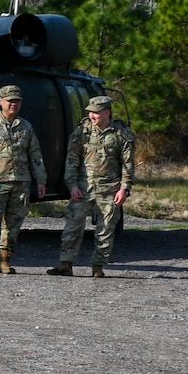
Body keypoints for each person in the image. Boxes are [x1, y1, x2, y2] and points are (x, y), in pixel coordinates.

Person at [48, 94, 134, 278]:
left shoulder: (120, 134)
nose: (92, 116)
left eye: (96, 112)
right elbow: (72, 160)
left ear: (107, 113)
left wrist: (124, 188)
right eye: (91, 112)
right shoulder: (82, 132)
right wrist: (72, 186)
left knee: (105, 230)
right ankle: (65, 264)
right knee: (72, 226)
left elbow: (128, 164)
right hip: (83, 187)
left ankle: (98, 267)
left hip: (110, 189)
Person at [0, 84, 45, 273]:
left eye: (17, 101)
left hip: (21, 182)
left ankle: (4, 261)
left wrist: (41, 179)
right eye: (10, 100)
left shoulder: (26, 127)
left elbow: (35, 155)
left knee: (13, 225)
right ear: (1, 101)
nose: (14, 104)